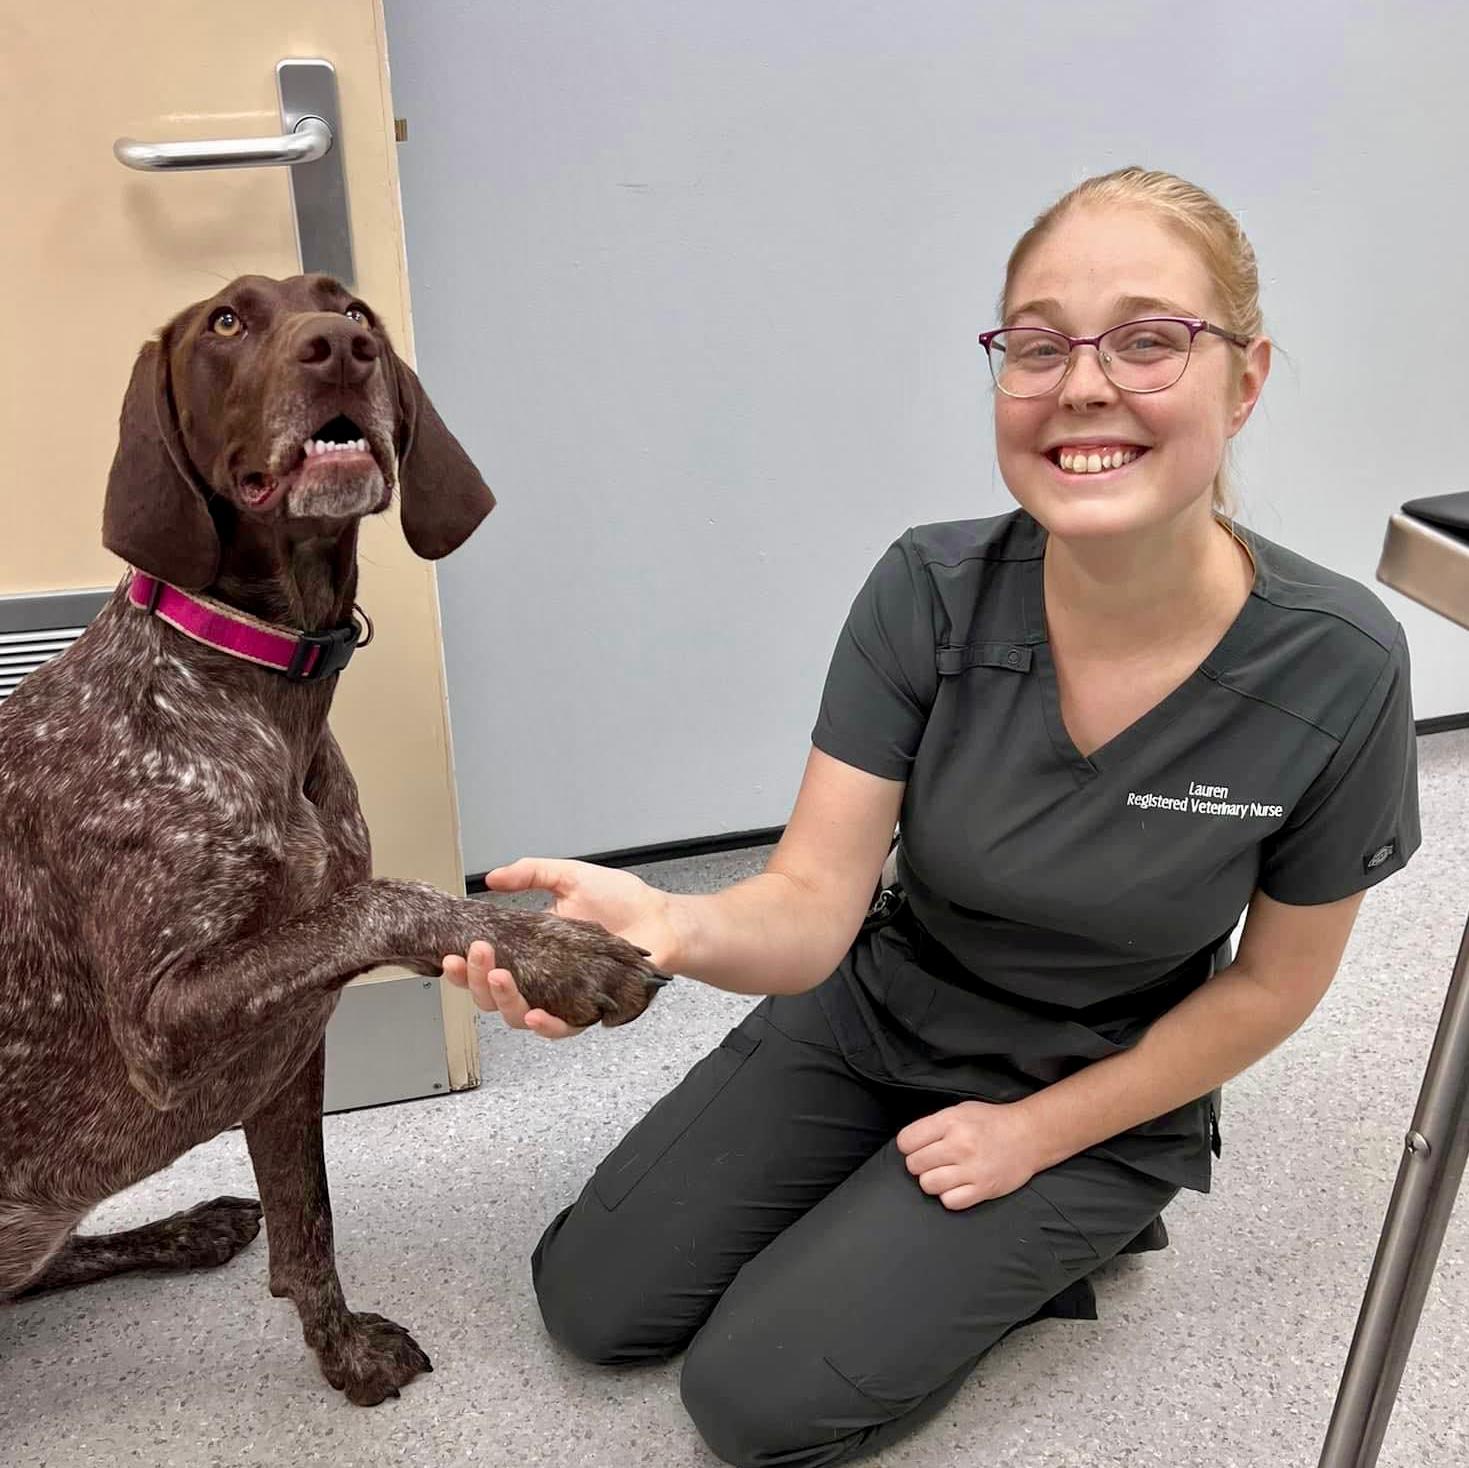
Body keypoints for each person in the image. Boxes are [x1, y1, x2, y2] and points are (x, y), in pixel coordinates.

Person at [441, 167, 1422, 1467]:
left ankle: (1081, 1220)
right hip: (873, 1011)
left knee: (753, 1400)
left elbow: (1270, 990)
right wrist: (664, 929)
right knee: (593, 1302)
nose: (1081, 384)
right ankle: (892, 1218)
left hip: (1092, 1078)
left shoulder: (1333, 665)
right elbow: (806, 911)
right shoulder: (929, 588)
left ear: (1242, 383)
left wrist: (1036, 1138)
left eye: (1146, 340)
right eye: (1034, 343)